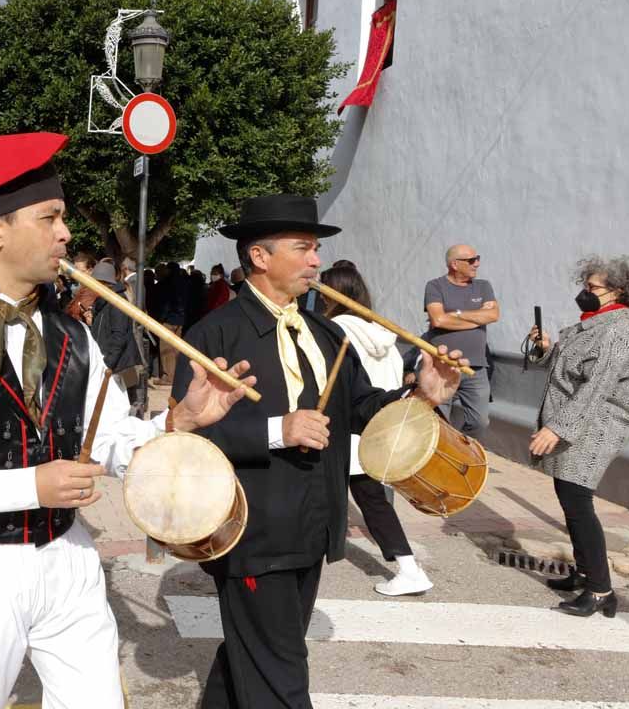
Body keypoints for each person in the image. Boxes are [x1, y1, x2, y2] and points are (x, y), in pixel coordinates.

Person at [0, 131, 253, 709]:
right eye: (50, 217)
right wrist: (28, 484)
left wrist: (177, 423)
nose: (66, 232)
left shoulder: (74, 334)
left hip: (68, 555)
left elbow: (107, 439)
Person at [172, 195, 467, 709]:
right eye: (304, 249)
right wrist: (276, 430)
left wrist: (421, 395)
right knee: (280, 671)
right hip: (251, 528)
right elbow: (185, 436)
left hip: (313, 524)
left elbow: (363, 409)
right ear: (259, 257)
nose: (317, 261)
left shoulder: (327, 333)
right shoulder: (213, 333)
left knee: (259, 650)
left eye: (316, 250)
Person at [527, 255, 629, 619]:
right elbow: (565, 370)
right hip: (579, 422)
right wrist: (546, 348)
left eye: (592, 287)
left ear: (617, 292)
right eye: (585, 285)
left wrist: (555, 429)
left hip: (596, 427)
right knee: (569, 496)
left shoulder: (616, 333)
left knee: (578, 502)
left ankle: (601, 591)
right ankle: (584, 573)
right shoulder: (591, 325)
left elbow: (594, 390)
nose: (585, 293)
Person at [319, 264, 431, 596]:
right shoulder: (381, 331)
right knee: (372, 499)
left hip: (347, 428)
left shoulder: (334, 330)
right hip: (379, 426)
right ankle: (407, 566)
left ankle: (409, 568)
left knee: (367, 500)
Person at [424, 244, 498, 434]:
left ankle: (460, 450)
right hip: (442, 366)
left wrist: (455, 314)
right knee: (436, 420)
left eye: (478, 258)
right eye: (472, 260)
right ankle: (439, 458)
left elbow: (493, 315)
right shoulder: (435, 286)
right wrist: (476, 318)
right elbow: (438, 319)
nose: (477, 264)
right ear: (454, 264)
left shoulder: (483, 286)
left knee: (480, 422)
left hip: (476, 368)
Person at [85, 261, 143, 409]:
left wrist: (107, 364)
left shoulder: (116, 302)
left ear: (103, 283)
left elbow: (119, 336)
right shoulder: (104, 300)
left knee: (119, 406)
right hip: (113, 361)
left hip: (119, 365)